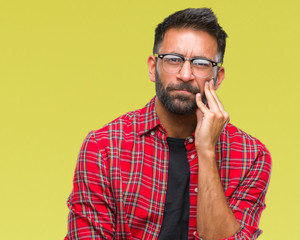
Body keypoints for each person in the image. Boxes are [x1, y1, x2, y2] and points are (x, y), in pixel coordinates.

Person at [65, 8, 271, 240]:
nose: (185, 74)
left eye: (201, 63)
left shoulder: (250, 156)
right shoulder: (104, 148)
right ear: (153, 68)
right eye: (173, 60)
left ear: (218, 77)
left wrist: (206, 150)